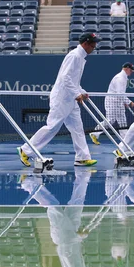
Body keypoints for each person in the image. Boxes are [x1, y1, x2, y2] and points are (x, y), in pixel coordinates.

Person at [17, 33, 98, 168]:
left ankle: (82, 158)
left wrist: (82, 92)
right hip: (62, 98)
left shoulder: (80, 57)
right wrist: (76, 93)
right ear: (86, 44)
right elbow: (65, 78)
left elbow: (73, 80)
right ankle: (25, 150)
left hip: (70, 99)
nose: (94, 47)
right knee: (52, 127)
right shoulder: (74, 56)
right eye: (93, 44)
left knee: (77, 128)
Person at [89, 62, 134, 145]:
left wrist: (124, 101)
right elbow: (119, 93)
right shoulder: (120, 78)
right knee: (110, 121)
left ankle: (125, 141)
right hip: (112, 102)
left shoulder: (124, 77)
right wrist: (129, 102)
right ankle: (94, 133)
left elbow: (121, 94)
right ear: (126, 69)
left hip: (118, 101)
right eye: (131, 70)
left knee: (122, 121)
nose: (132, 71)